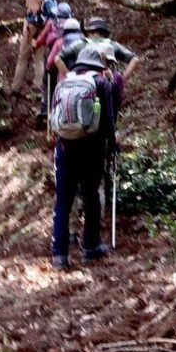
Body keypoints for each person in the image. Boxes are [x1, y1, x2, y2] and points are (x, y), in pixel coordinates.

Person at [50, 47, 115, 270]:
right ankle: (90, 247)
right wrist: (112, 145)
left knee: (63, 202)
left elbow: (54, 117)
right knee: (90, 196)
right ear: (98, 66)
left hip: (64, 147)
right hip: (91, 148)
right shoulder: (101, 83)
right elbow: (108, 119)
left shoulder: (64, 82)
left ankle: (59, 255)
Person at [56, 16, 139, 112]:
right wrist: (122, 78)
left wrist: (69, 75)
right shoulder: (112, 45)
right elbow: (135, 59)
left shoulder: (79, 44)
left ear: (89, 32)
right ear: (104, 33)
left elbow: (57, 59)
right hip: (106, 82)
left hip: (82, 84)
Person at [10, 0, 55, 98]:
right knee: (39, 59)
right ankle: (37, 87)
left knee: (23, 58)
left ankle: (15, 88)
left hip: (31, 29)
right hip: (43, 30)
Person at [32, 2, 73, 121]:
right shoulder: (72, 24)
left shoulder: (51, 23)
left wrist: (34, 43)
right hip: (67, 57)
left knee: (48, 82)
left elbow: (40, 39)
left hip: (51, 53)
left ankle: (46, 108)